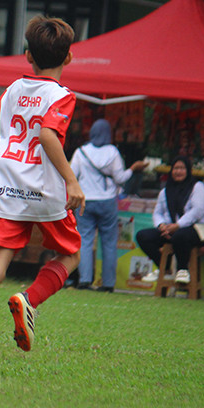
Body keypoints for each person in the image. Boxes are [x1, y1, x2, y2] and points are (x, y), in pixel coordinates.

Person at [0, 15, 85, 373]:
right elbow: (48, 136)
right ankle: (29, 299)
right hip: (46, 192)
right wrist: (71, 180)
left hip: (6, 190)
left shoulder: (10, 92)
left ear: (27, 55)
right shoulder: (62, 96)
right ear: (68, 58)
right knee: (71, 256)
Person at [70, 119, 146, 291]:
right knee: (109, 243)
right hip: (107, 202)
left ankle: (85, 280)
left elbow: (72, 175)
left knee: (85, 240)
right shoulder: (113, 152)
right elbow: (120, 179)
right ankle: (108, 283)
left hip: (85, 201)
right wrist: (133, 169)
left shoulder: (81, 152)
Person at [137, 156, 204, 284]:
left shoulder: (198, 187)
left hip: (194, 230)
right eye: (176, 168)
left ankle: (182, 269)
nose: (178, 172)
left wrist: (178, 225)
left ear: (188, 170)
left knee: (180, 236)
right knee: (143, 236)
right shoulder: (165, 191)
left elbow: (198, 211)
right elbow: (158, 212)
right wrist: (162, 226)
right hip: (171, 229)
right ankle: (164, 268)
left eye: (182, 168)